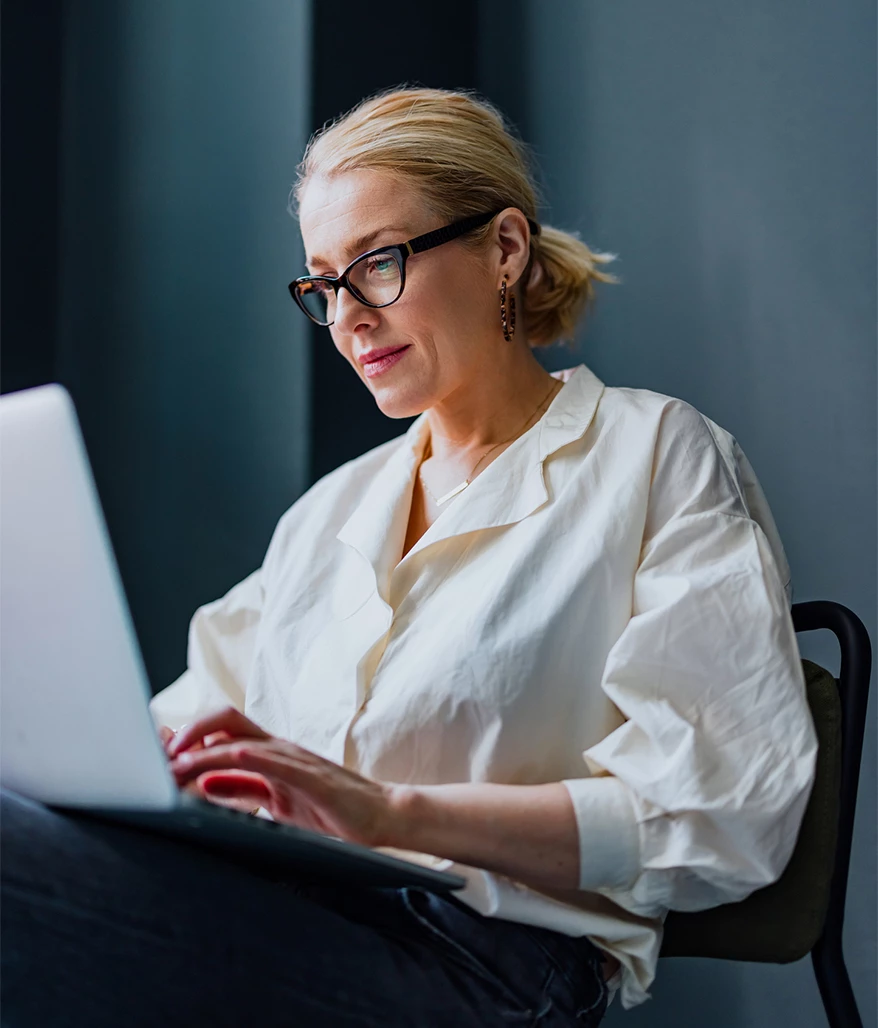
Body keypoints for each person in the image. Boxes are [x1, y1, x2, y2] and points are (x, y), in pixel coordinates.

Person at [1, 87, 817, 1027]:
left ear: (504, 248)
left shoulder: (653, 455)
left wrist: (394, 813)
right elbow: (190, 728)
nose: (346, 316)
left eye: (377, 264)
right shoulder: (331, 514)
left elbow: (724, 811)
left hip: (493, 963)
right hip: (293, 917)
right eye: (321, 282)